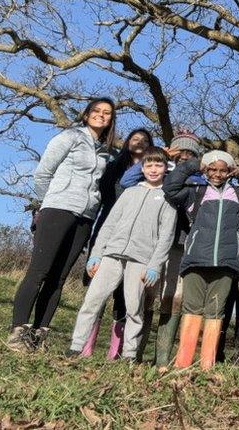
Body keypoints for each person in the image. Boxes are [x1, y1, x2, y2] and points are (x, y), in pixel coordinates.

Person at [8, 97, 117, 353]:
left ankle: (39, 334)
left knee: (59, 278)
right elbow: (43, 172)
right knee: (39, 272)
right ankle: (17, 333)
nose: (101, 116)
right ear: (87, 113)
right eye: (97, 111)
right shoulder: (70, 137)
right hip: (58, 209)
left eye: (107, 113)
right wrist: (47, 204)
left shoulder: (107, 152)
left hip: (85, 217)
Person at [163, 150, 239, 369]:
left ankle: (206, 364)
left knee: (216, 312)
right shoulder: (196, 193)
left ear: (230, 172)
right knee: (192, 309)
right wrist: (194, 165)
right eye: (213, 169)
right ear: (206, 170)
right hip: (195, 260)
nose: (217, 174)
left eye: (223, 170)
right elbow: (170, 187)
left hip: (226, 262)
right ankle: (183, 363)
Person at [67, 147, 177, 359]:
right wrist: (97, 253)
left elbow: (166, 236)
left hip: (141, 260)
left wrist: (155, 265)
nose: (153, 170)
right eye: (149, 165)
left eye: (158, 165)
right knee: (92, 301)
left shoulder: (167, 199)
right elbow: (109, 225)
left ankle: (129, 354)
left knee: (134, 308)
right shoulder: (129, 192)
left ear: (166, 168)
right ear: (142, 167)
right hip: (112, 255)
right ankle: (76, 346)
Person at [116, 129, 204, 367]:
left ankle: (161, 359)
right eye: (180, 152)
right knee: (143, 296)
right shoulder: (160, 172)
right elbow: (126, 181)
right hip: (150, 245)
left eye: (190, 154)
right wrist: (161, 154)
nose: (184, 157)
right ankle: (133, 353)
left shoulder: (199, 179)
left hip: (181, 244)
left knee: (172, 298)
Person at [83, 127, 154, 360]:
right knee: (97, 289)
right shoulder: (114, 166)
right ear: (127, 143)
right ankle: (86, 346)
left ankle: (114, 352)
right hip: (109, 228)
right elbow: (106, 191)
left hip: (136, 237)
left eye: (145, 141)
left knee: (125, 296)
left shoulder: (152, 173)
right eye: (135, 139)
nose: (140, 142)